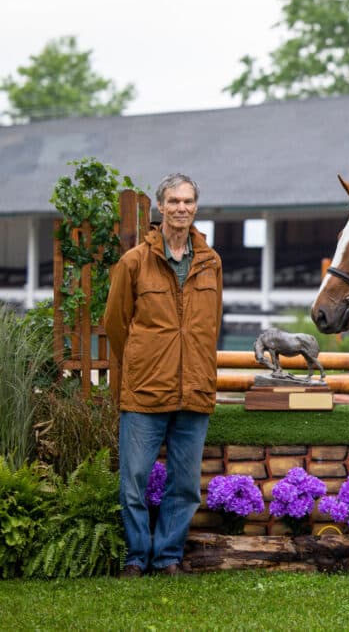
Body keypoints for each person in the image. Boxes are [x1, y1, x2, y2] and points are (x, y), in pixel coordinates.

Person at [105, 173, 223, 577]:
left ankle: (169, 556)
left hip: (195, 389)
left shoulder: (211, 262)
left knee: (185, 484)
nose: (181, 208)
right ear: (160, 207)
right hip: (144, 391)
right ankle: (137, 557)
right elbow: (116, 324)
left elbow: (211, 325)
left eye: (188, 201)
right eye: (173, 201)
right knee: (134, 480)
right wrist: (145, 360)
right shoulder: (134, 262)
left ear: (195, 207)